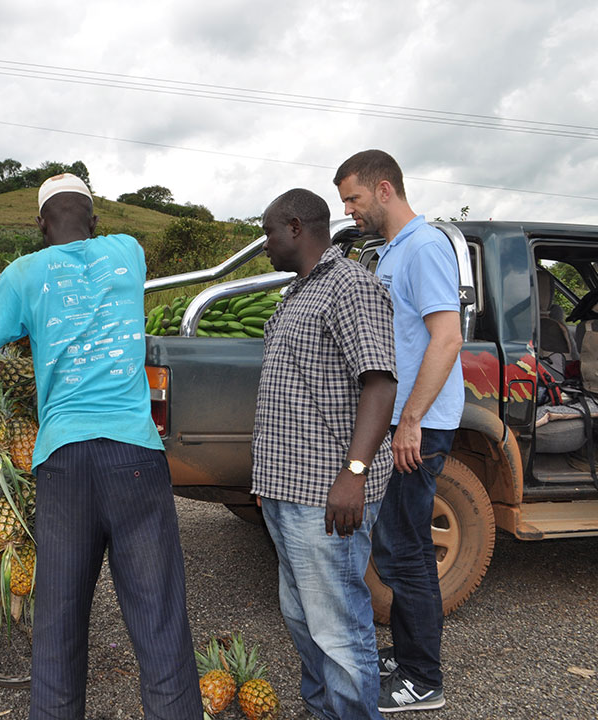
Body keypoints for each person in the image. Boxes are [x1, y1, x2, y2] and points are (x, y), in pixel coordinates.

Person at [0, 173, 202, 720]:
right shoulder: (128, 249)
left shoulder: (24, 272)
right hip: (135, 455)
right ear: (95, 222)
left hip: (63, 461)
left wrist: (29, 316)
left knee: (59, 621)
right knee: (158, 616)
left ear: (40, 224)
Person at [252, 188, 397, 719]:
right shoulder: (299, 292)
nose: (264, 243)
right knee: (301, 617)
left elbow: (380, 384)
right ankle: (321, 710)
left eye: (268, 232)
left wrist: (354, 474)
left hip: (325, 493)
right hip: (287, 490)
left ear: (295, 226)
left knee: (338, 627)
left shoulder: (349, 287)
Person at [334, 149, 465, 713]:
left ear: (384, 190)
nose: (349, 211)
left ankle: (422, 679)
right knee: (394, 547)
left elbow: (447, 338)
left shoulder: (426, 246)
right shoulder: (390, 252)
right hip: (401, 422)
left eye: (354, 199)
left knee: (405, 552)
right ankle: (410, 654)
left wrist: (410, 419)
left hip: (420, 425)